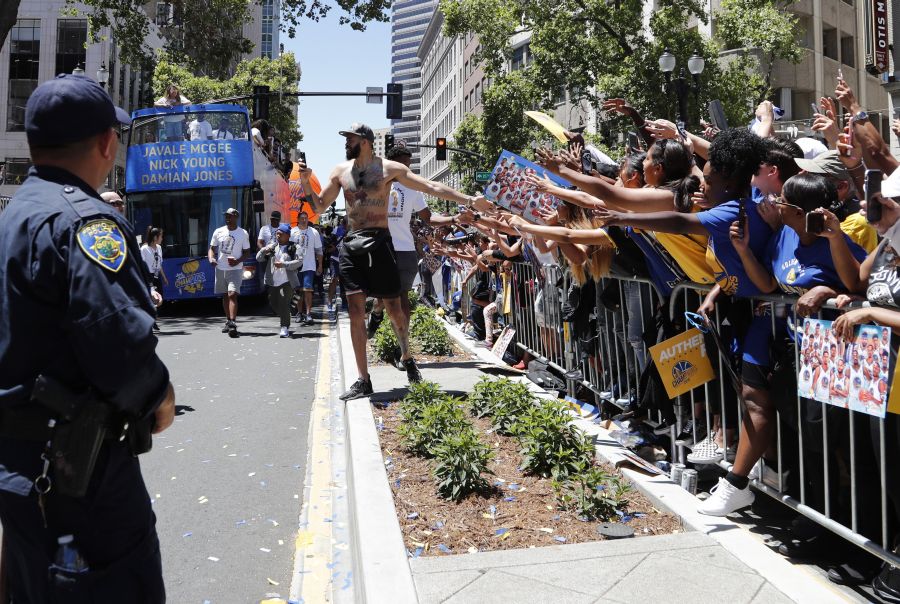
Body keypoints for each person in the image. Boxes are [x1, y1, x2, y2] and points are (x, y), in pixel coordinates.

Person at [0, 73, 175, 602]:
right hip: (79, 476)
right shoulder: (87, 222)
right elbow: (118, 345)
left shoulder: (14, 217)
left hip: (17, 468)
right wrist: (160, 397)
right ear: (105, 142)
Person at [296, 122, 480, 400]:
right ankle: (363, 379)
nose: (346, 142)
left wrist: (469, 200)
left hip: (381, 244)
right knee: (356, 312)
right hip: (352, 246)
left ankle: (407, 357)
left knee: (396, 310)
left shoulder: (389, 169)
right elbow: (319, 207)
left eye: (351, 138)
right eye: (346, 138)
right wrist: (304, 182)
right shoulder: (339, 172)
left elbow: (430, 185)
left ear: (366, 142)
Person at [208, 207, 251, 337]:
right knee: (225, 295)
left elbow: (247, 252)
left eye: (230, 216)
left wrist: (238, 261)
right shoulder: (218, 231)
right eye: (226, 216)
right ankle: (228, 320)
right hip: (220, 268)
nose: (227, 218)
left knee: (232, 294)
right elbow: (212, 248)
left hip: (235, 269)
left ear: (236, 217)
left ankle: (232, 322)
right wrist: (211, 258)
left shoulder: (242, 233)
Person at [257, 223, 303, 337]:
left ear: (287, 235)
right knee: (273, 303)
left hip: (287, 281)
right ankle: (287, 313)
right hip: (273, 281)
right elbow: (258, 258)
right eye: (277, 233)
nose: (277, 236)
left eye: (280, 234)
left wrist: (284, 264)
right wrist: (264, 250)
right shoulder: (272, 247)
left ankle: (284, 327)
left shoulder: (294, 247)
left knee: (283, 302)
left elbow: (299, 262)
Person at [290, 210, 323, 326]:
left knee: (308, 290)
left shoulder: (314, 232)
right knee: (298, 290)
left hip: (309, 265)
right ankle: (299, 313)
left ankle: (308, 314)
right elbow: (288, 250)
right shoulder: (292, 232)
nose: (304, 220)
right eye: (302, 218)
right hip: (296, 266)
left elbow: (319, 250)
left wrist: (320, 265)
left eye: (306, 218)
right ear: (298, 219)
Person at [140, 226, 169, 332]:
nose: (162, 238)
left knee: (160, 299)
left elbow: (159, 264)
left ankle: (152, 319)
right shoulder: (144, 249)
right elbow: (141, 265)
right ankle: (149, 321)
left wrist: (164, 277)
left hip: (157, 276)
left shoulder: (159, 248)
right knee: (151, 299)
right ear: (155, 237)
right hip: (148, 276)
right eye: (161, 236)